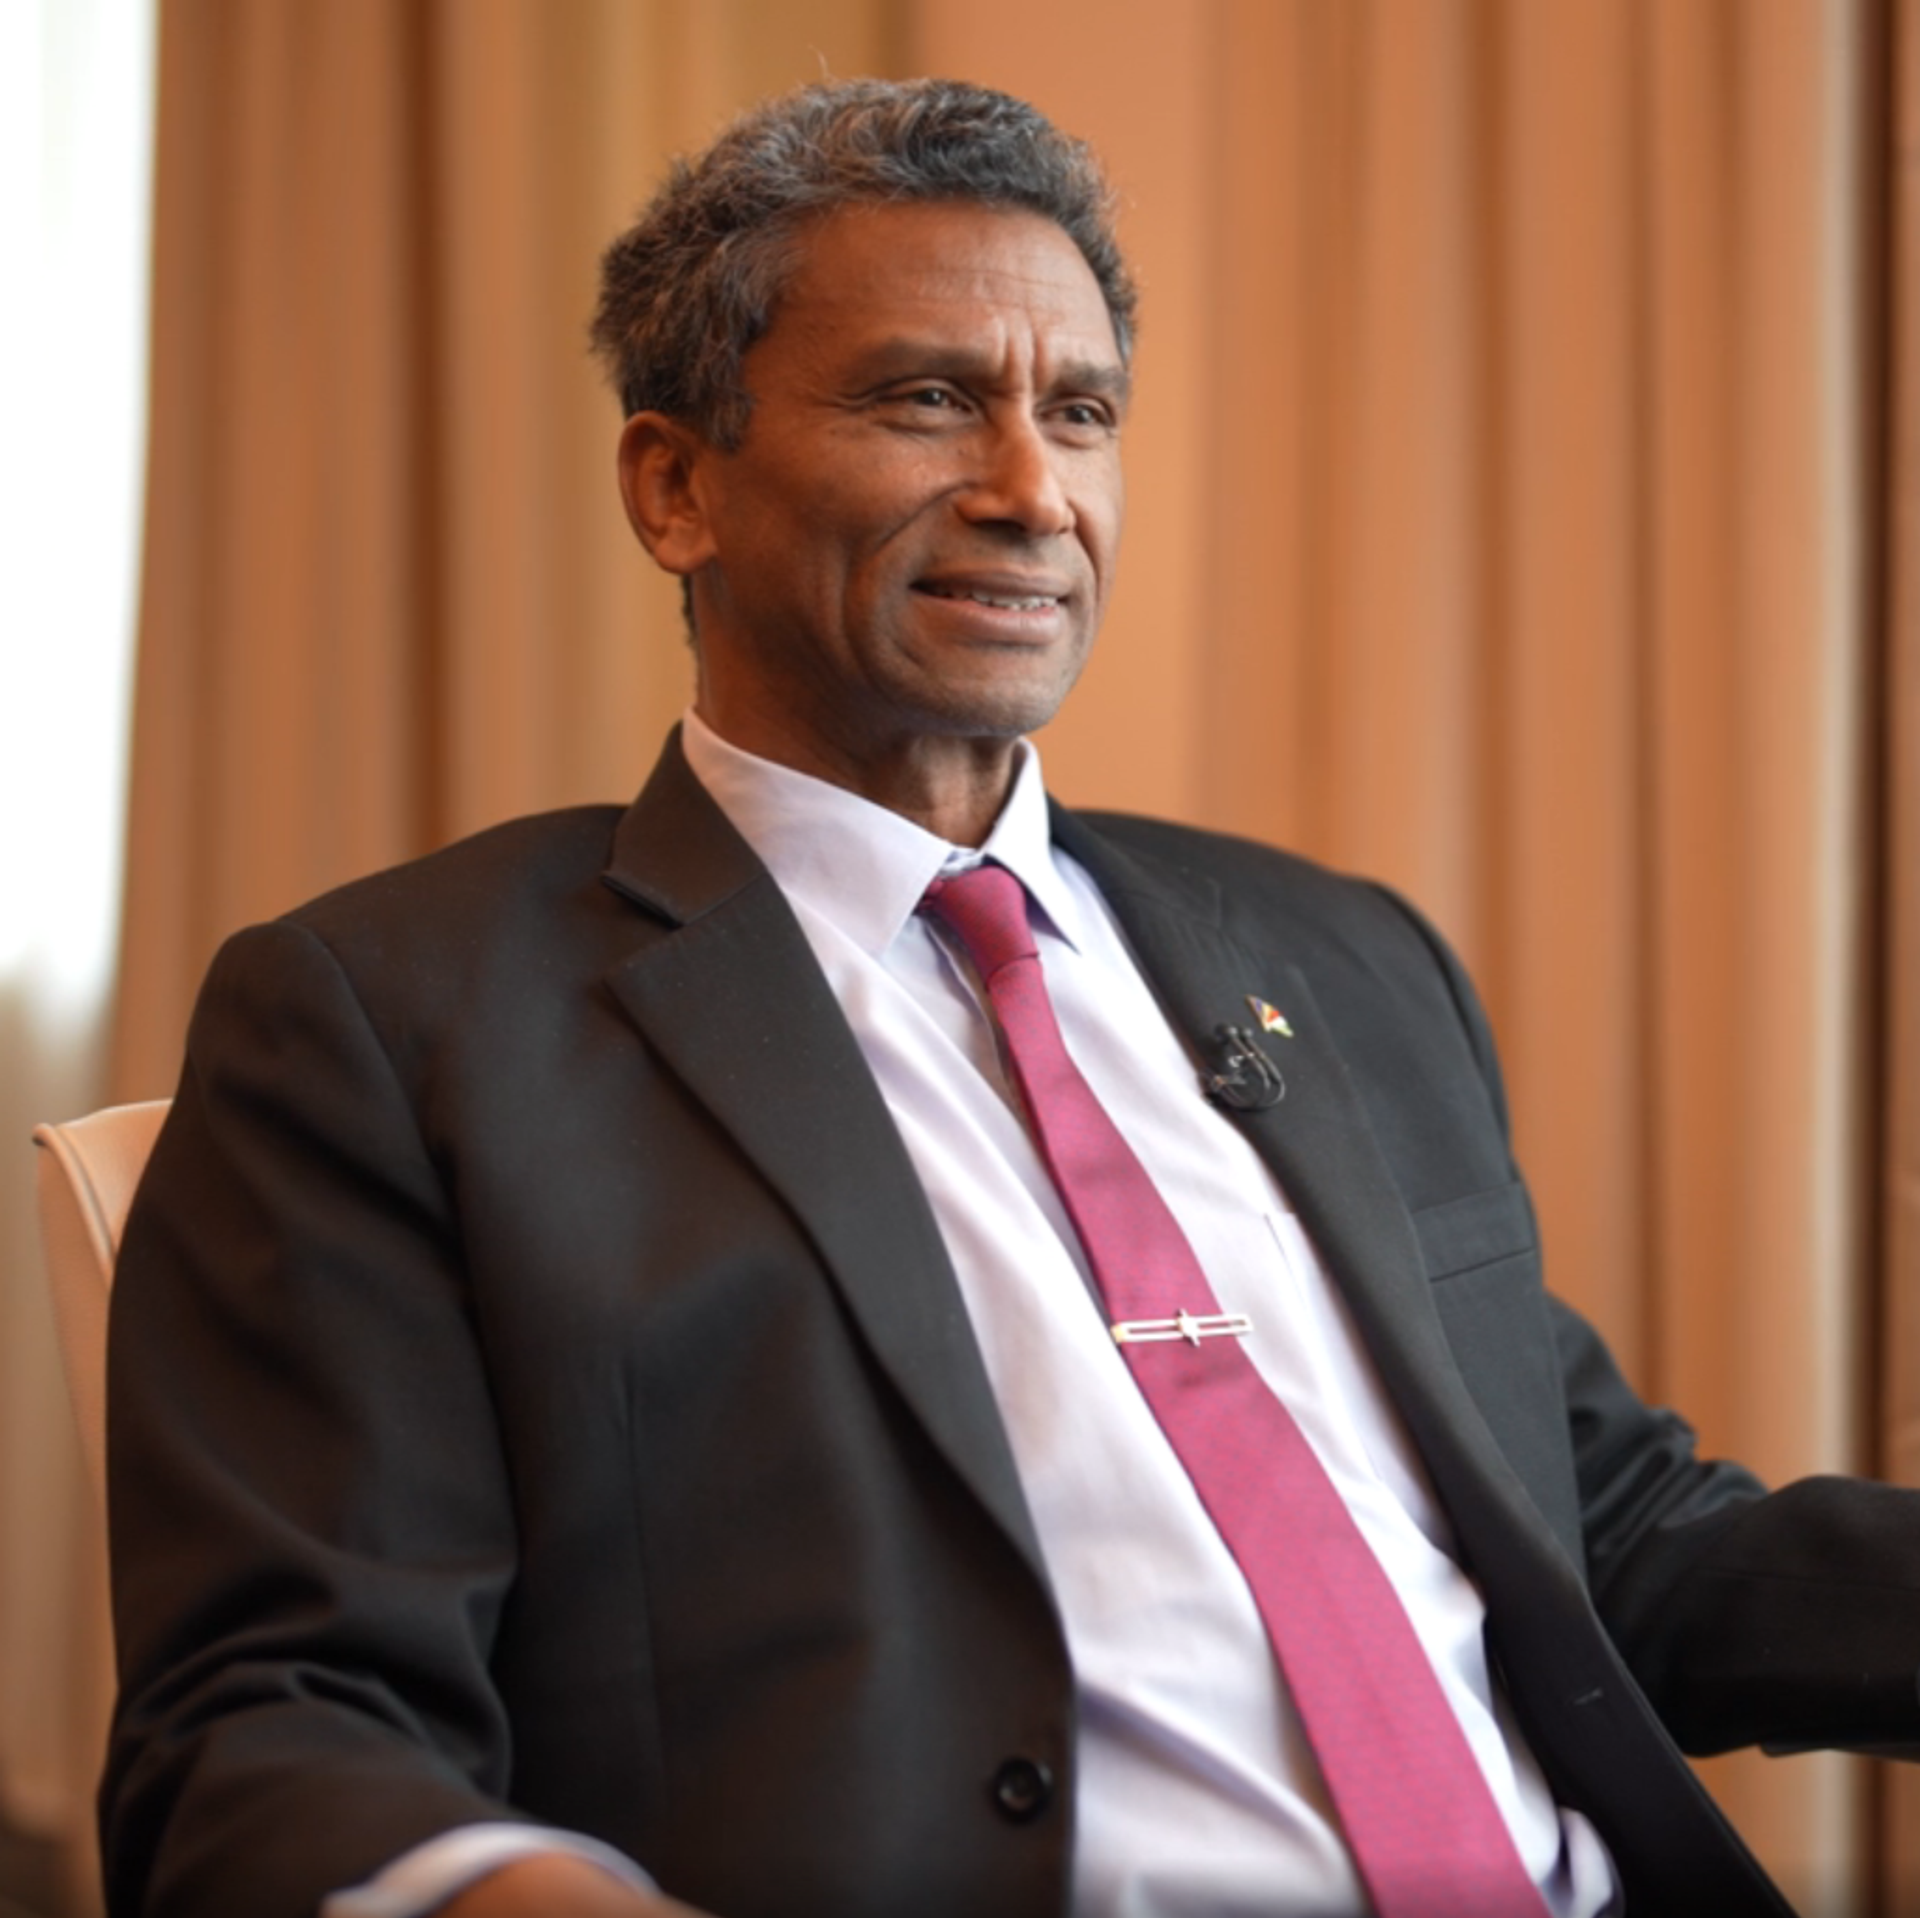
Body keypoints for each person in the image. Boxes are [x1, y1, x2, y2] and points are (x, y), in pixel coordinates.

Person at [101, 77, 1920, 1918]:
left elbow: (1602, 1528)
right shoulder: (397, 1024)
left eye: (1081, 413)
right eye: (924, 400)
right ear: (674, 486)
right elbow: (271, 1729)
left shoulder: (1347, 959)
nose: (1032, 492)